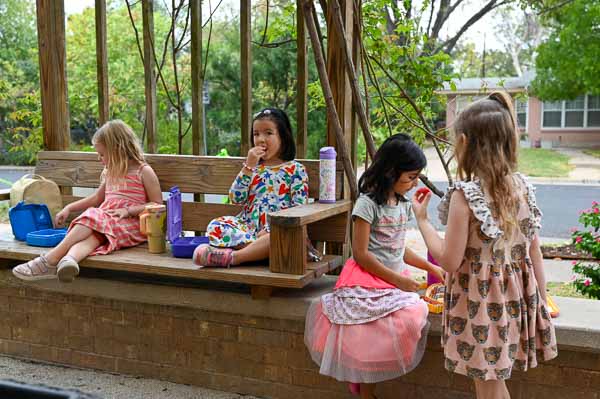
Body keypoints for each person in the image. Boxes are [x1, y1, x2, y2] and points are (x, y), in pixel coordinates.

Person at [412, 92, 558, 399]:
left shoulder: (465, 196)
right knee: (492, 385)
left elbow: (449, 262)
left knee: (488, 387)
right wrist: (541, 303)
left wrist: (423, 222)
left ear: (464, 142)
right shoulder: (522, 188)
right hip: (514, 303)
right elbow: (534, 253)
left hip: (478, 306)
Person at [304, 134, 444, 399]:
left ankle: (362, 385)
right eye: (411, 177)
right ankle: (365, 391)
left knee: (408, 315)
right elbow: (360, 254)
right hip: (367, 278)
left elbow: (399, 248)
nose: (415, 183)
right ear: (391, 171)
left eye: (417, 177)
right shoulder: (367, 205)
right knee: (366, 331)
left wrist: (432, 267)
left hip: (391, 277)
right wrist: (399, 281)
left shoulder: (402, 204)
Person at [13, 120, 162, 283]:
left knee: (93, 216)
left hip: (132, 224)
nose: (100, 159)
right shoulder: (111, 172)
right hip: (107, 223)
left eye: (103, 154)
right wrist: (69, 208)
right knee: (94, 237)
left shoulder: (143, 171)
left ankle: (49, 259)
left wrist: (128, 211)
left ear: (118, 149)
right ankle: (68, 261)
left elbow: (157, 204)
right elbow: (97, 199)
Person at [193, 107, 309, 267]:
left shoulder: (296, 170)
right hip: (248, 228)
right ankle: (260, 252)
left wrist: (270, 227)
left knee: (281, 236)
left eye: (268, 133)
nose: (261, 139)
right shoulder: (252, 168)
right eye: (256, 134)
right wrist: (248, 167)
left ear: (283, 136)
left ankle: (234, 257)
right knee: (216, 226)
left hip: (278, 227)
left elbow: (299, 207)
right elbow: (235, 199)